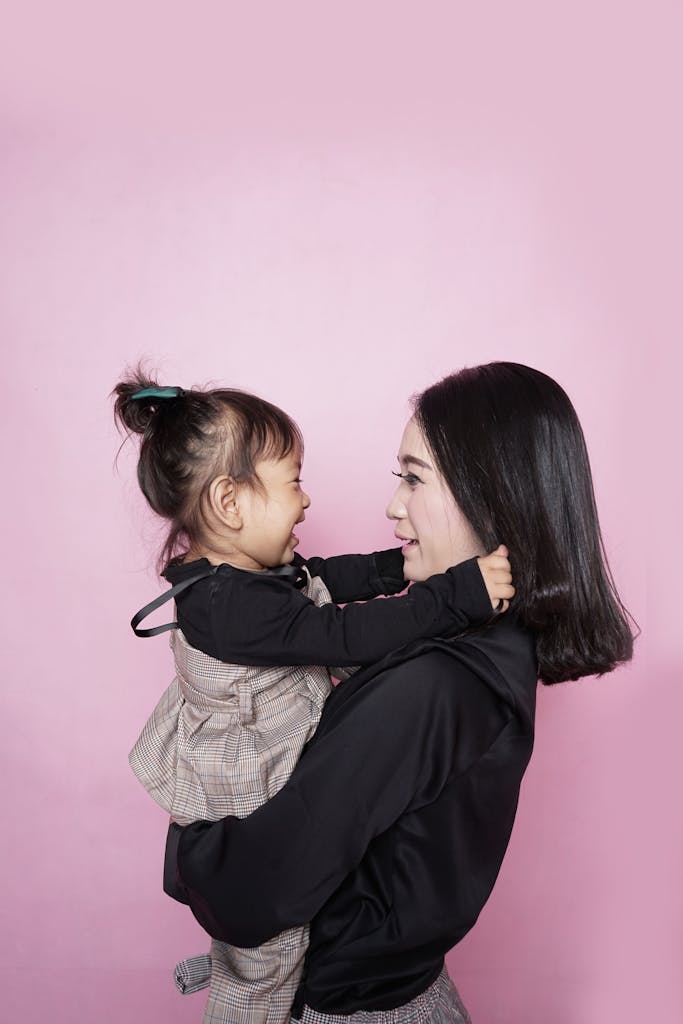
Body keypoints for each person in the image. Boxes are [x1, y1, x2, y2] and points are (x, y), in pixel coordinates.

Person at [163, 361, 634, 1024]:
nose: (391, 506)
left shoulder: (432, 685)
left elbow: (252, 896)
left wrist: (189, 843)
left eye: (413, 477)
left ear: (490, 493)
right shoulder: (482, 651)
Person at [113, 371, 514, 1024]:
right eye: (291, 482)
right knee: (272, 947)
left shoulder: (246, 579)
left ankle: (236, 961)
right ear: (229, 503)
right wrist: (452, 594)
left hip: (277, 752)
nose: (304, 502)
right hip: (244, 783)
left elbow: (322, 579)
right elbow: (339, 632)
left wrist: (394, 568)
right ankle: (241, 987)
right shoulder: (224, 607)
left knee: (319, 587)